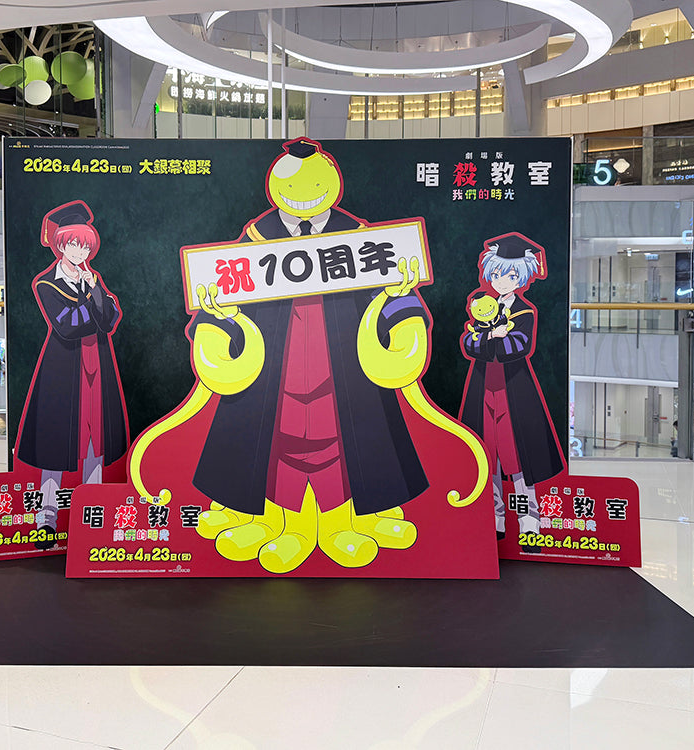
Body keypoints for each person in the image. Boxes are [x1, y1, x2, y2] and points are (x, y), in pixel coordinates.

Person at [128, 138, 488, 574]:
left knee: (350, 433)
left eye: (315, 183)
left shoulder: (359, 237)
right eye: (293, 184)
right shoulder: (257, 237)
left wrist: (400, 306)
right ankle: (271, 519)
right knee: (270, 435)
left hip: (345, 362)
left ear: (331, 183)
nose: (304, 193)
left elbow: (394, 289)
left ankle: (348, 519)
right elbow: (224, 288)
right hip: (273, 364)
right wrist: (218, 321)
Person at [15, 200, 129, 549]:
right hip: (63, 371)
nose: (80, 252)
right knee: (56, 443)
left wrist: (95, 292)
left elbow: (110, 320)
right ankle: (46, 517)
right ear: (61, 244)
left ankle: (91, 514)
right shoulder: (46, 284)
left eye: (85, 246)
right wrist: (94, 300)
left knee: (95, 440)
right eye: (74, 244)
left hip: (97, 367)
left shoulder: (94, 280)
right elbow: (67, 326)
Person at [458, 232, 566, 553]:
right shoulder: (482, 305)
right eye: (497, 273)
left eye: (511, 275)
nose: (502, 280)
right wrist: (492, 335)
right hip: (483, 389)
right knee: (487, 456)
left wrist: (492, 339)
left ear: (522, 278)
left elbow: (517, 348)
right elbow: (470, 343)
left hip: (514, 391)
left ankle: (530, 522)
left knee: (517, 458)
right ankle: (495, 520)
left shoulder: (524, 312)